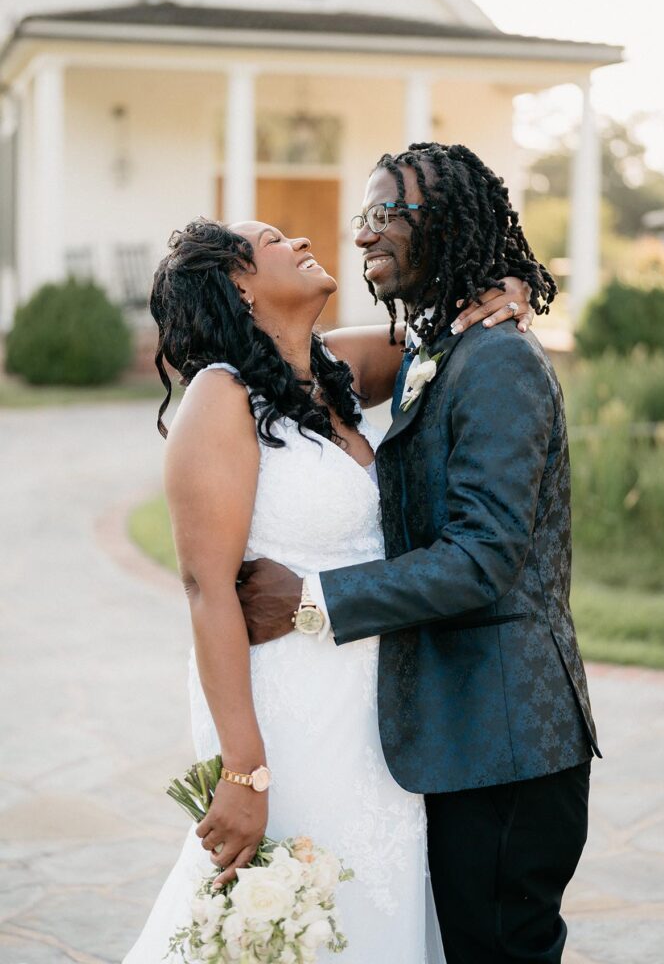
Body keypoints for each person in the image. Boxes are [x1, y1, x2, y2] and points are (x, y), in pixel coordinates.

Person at [121, 212, 532, 964]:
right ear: (238, 284)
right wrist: (243, 769)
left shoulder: (330, 368)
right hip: (288, 711)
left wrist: (506, 292)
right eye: (274, 242)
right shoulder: (220, 397)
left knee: (373, 902)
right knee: (288, 915)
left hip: (375, 711)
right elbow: (208, 591)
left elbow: (448, 333)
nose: (304, 242)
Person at [236, 143, 601, 964]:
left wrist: (312, 600)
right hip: (458, 735)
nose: (363, 236)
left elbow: (482, 559)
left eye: (385, 214)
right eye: (361, 217)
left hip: (506, 742)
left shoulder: (498, 361)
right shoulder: (439, 351)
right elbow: (291, 362)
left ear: (444, 224)